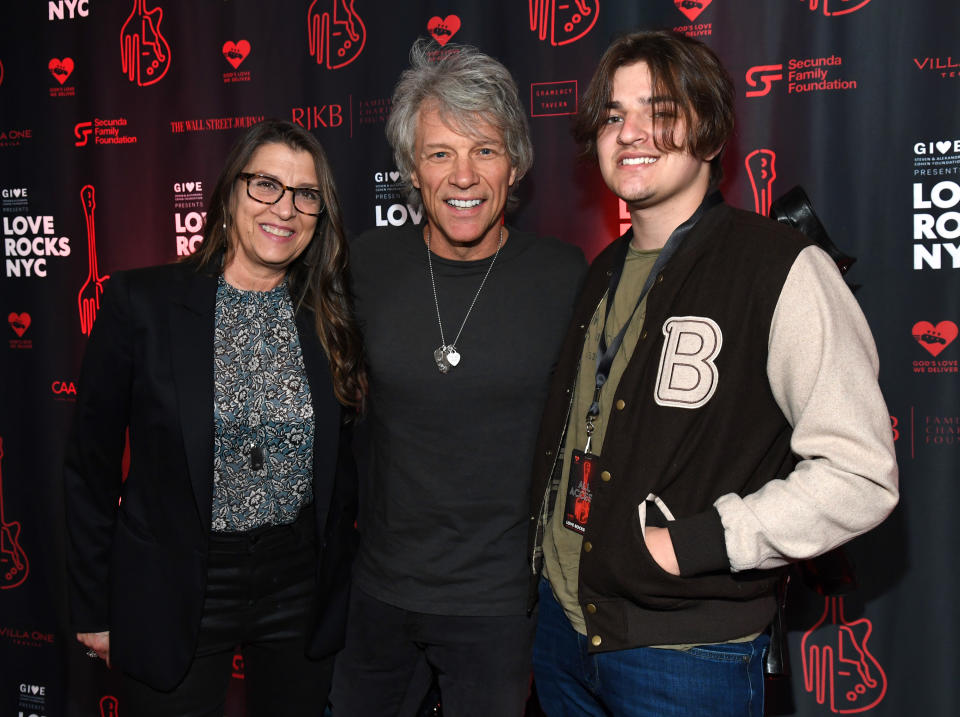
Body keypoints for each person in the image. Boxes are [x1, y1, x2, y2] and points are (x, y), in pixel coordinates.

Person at [528, 30, 899, 716]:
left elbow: (861, 473)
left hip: (687, 655)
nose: (630, 131)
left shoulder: (780, 267)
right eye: (613, 114)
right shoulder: (603, 270)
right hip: (563, 631)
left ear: (709, 127)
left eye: (659, 110)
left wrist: (697, 542)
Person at [64, 119, 364, 716]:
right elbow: (88, 469)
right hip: (174, 585)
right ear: (229, 193)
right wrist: (94, 609)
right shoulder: (140, 304)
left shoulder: (330, 316)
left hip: (296, 585)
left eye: (306, 194)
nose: (286, 208)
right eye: (266, 186)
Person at [329, 40, 586, 716]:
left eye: (486, 151)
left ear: (516, 165)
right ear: (413, 169)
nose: (463, 175)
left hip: (498, 606)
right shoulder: (366, 264)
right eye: (441, 152)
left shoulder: (564, 276)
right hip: (379, 593)